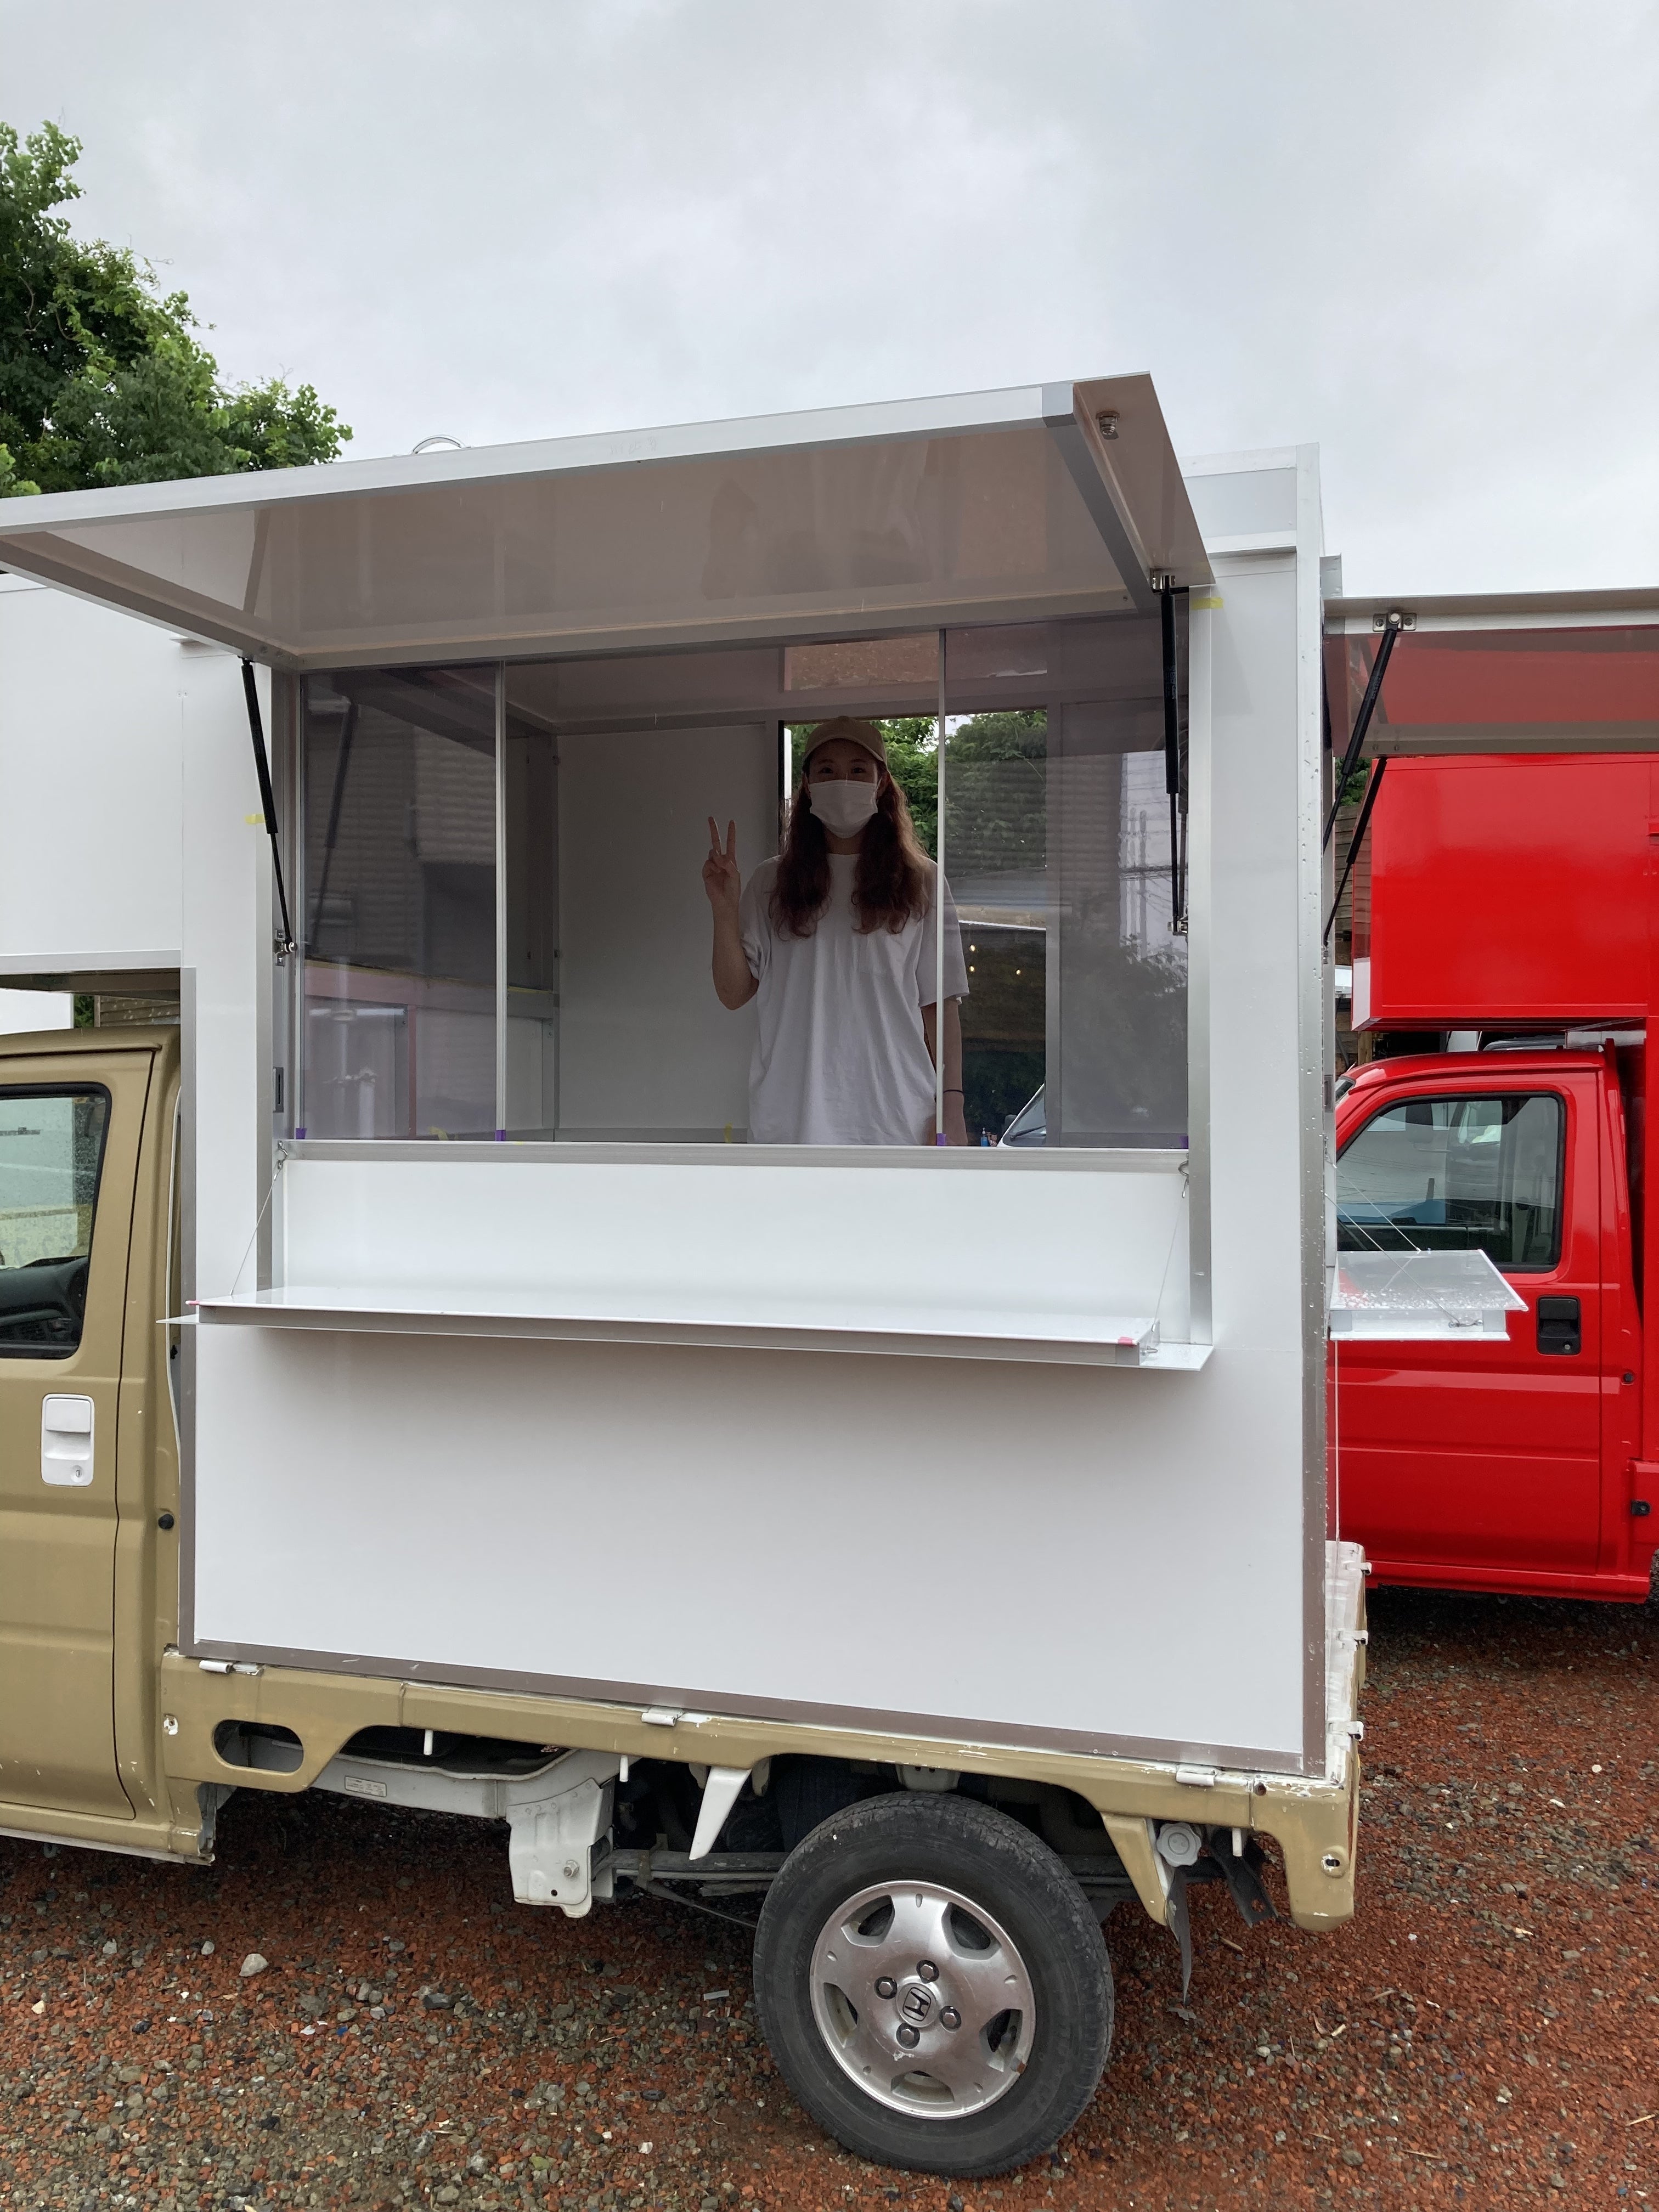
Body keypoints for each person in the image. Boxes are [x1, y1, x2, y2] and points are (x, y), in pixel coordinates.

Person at [702, 717, 969, 1146]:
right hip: (790, 1123)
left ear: (881, 783)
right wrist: (724, 908)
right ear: (808, 784)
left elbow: (940, 1005)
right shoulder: (770, 882)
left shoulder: (923, 881)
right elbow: (733, 993)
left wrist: (952, 1106)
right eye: (826, 769)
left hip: (895, 1121)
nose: (842, 781)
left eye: (858, 769)